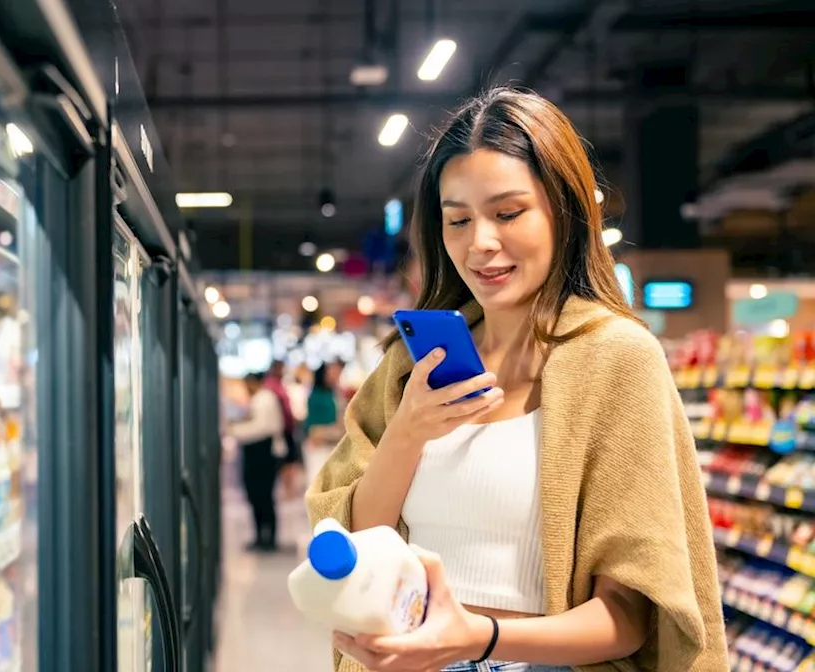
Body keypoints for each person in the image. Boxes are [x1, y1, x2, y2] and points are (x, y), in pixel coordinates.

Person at [306, 87, 726, 672]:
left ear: (564, 209)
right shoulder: (409, 366)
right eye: (457, 219)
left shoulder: (616, 360)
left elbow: (632, 618)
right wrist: (406, 432)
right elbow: (357, 542)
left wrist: (475, 637)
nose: (480, 242)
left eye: (507, 213)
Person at [228, 372, 287, 552]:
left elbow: (261, 428)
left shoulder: (264, 400)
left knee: (262, 495)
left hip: (262, 455)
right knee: (261, 496)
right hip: (260, 454)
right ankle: (263, 536)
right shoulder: (262, 399)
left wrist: (235, 430)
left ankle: (267, 537)